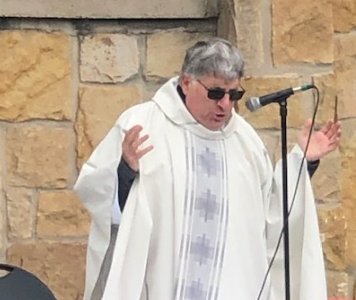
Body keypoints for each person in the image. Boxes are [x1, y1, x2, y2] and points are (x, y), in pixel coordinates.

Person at [74, 37, 341, 300]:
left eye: (234, 94)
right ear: (186, 81)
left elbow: (269, 221)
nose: (225, 104)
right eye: (215, 93)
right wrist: (125, 171)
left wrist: (302, 162)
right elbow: (99, 201)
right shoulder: (142, 125)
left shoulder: (246, 143)